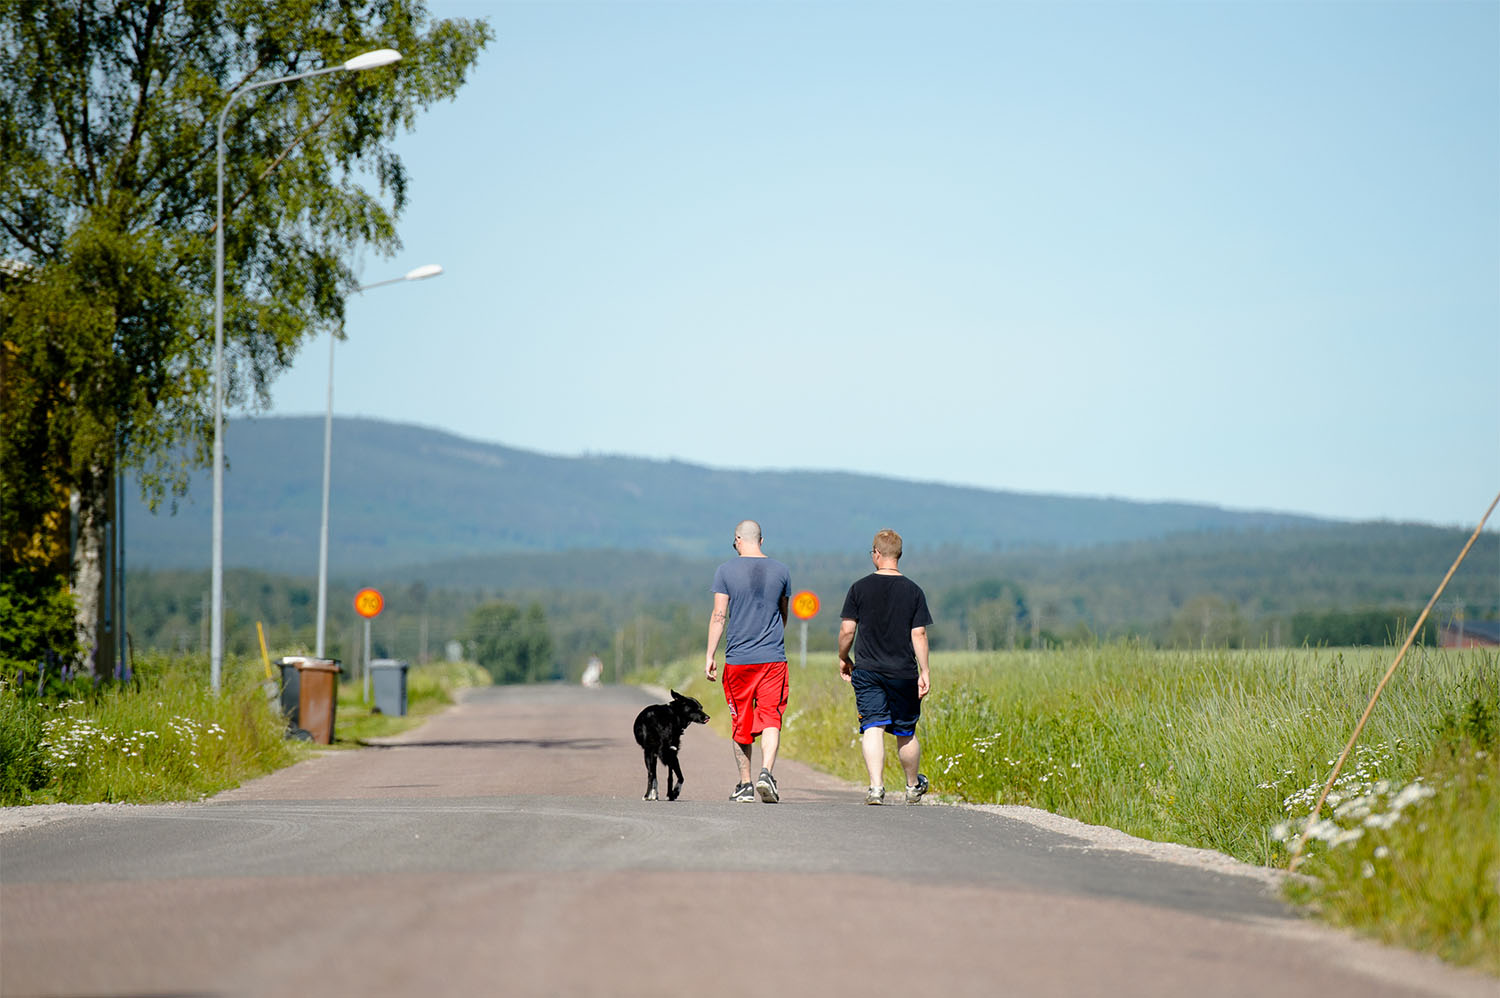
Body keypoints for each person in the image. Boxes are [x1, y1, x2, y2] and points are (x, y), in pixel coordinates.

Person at [837, 528, 932, 805]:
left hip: (867, 670)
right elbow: (919, 635)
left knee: (873, 726)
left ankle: (876, 788)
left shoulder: (859, 588)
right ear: (898, 555)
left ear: (876, 554)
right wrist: (924, 671)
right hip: (903, 671)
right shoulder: (914, 591)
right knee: (905, 731)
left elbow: (847, 630)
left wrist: (843, 657)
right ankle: (913, 786)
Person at [705, 519, 791, 803]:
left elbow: (719, 616)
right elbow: (783, 614)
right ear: (761, 541)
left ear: (737, 540)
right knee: (770, 717)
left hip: (738, 660)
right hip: (772, 659)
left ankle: (745, 784)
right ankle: (766, 772)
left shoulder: (725, 571)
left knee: (741, 722)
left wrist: (710, 654)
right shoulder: (781, 571)